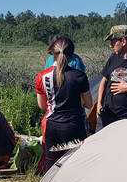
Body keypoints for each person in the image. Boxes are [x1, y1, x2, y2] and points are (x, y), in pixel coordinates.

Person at [35, 36, 92, 173]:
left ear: (53, 52)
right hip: (74, 127)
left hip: (52, 127)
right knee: (75, 166)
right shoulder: (79, 76)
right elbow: (89, 104)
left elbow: (42, 106)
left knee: (52, 167)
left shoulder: (41, 76)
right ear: (72, 54)